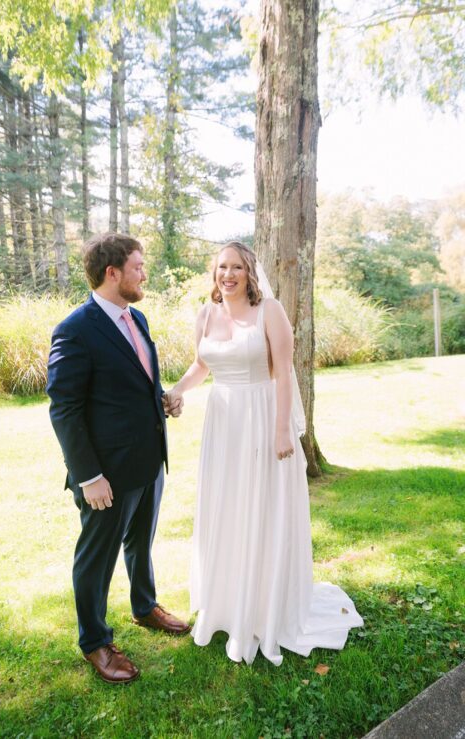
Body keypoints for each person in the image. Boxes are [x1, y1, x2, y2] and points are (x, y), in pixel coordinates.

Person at [163, 241, 362, 665]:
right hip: (223, 424)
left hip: (262, 416)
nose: (228, 275)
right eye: (222, 268)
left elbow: (285, 372)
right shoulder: (206, 314)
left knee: (261, 509)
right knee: (227, 508)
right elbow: (202, 366)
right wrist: (177, 390)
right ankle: (228, 602)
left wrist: (281, 432)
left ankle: (266, 606)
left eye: (236, 267)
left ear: (250, 272)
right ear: (214, 273)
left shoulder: (269, 311)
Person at [45, 232, 191, 685]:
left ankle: (145, 607)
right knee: (96, 558)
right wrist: (88, 476)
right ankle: (95, 642)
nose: (145, 273)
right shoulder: (74, 329)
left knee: (140, 542)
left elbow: (136, 380)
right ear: (113, 273)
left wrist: (162, 398)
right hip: (106, 473)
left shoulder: (137, 317)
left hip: (149, 461)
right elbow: (64, 407)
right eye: (138, 267)